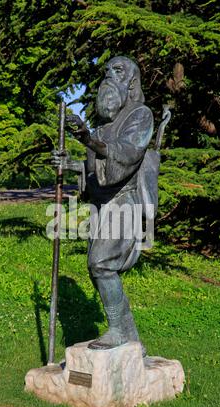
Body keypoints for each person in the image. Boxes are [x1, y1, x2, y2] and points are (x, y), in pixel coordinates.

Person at [51, 56, 155, 356]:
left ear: (132, 81)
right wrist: (67, 163)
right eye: (107, 71)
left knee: (101, 264)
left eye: (118, 71)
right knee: (97, 269)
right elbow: (94, 169)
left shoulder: (140, 116)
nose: (109, 76)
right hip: (102, 205)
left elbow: (127, 154)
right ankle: (129, 335)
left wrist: (89, 140)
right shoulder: (101, 126)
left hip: (125, 202)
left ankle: (118, 330)